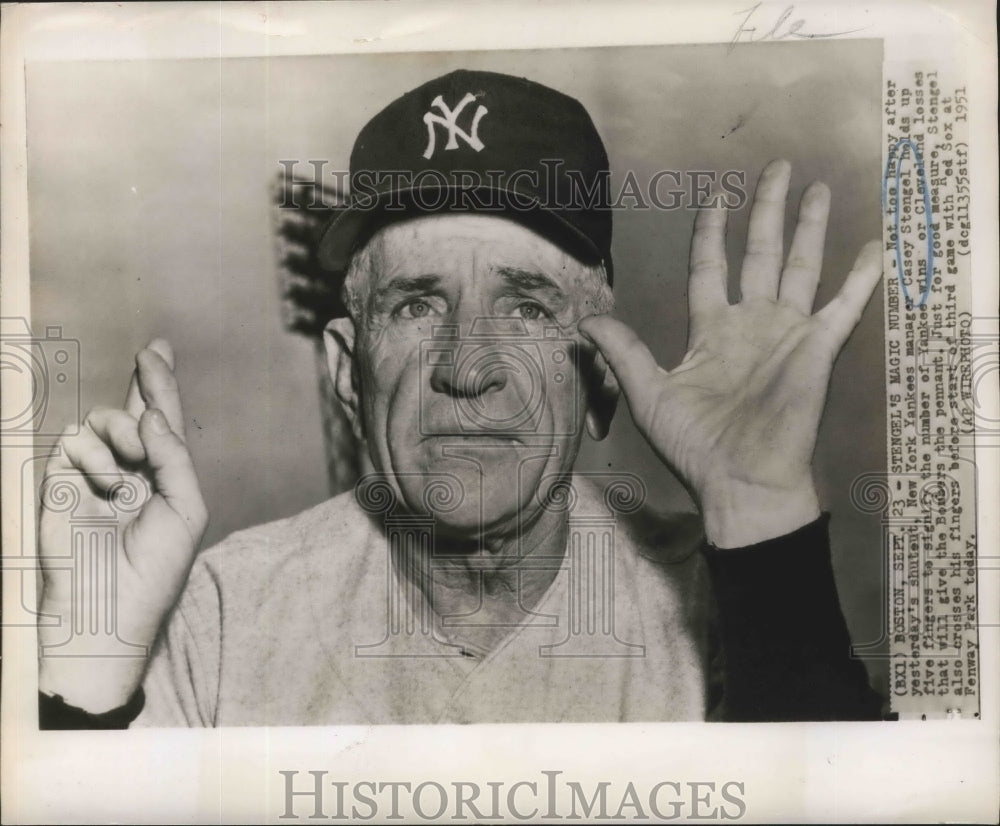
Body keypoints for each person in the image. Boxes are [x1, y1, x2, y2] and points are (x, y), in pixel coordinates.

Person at [37, 69, 884, 727]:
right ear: (345, 372)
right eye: (415, 304)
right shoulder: (220, 619)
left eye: (525, 306)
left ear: (598, 380)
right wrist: (83, 675)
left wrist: (763, 516)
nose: (467, 366)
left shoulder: (732, 606)